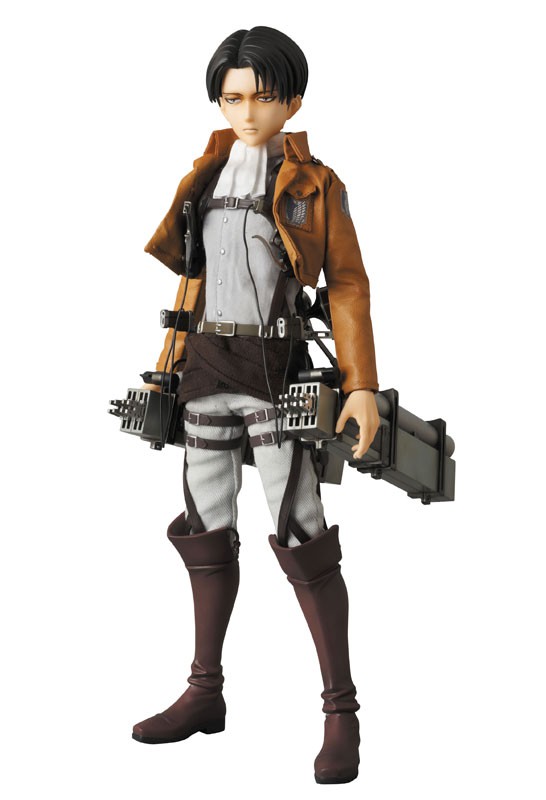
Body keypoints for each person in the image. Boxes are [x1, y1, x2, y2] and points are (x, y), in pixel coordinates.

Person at [131, 26, 380, 785]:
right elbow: (191, 279)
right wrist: (165, 370)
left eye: (263, 98)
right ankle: (204, 691)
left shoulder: (315, 185)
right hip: (206, 365)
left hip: (276, 369)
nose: (246, 112)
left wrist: (361, 385)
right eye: (233, 98)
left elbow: (346, 285)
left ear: (291, 102)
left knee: (302, 531)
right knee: (205, 527)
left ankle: (341, 711)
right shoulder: (204, 178)